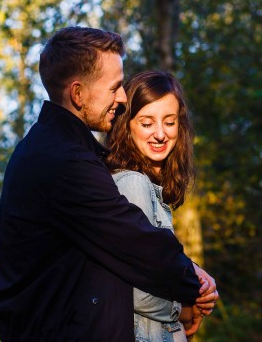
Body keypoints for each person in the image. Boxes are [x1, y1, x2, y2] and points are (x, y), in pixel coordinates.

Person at [0, 27, 217, 341]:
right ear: (78, 94)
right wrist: (193, 290)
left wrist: (188, 272)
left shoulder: (53, 149)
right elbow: (136, 241)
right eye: (114, 88)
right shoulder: (65, 162)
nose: (122, 98)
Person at [105, 71, 208, 341]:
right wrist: (185, 309)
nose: (161, 134)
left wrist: (195, 276)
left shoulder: (151, 189)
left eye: (170, 122)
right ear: (127, 125)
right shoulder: (132, 184)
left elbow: (156, 266)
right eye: (147, 123)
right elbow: (135, 292)